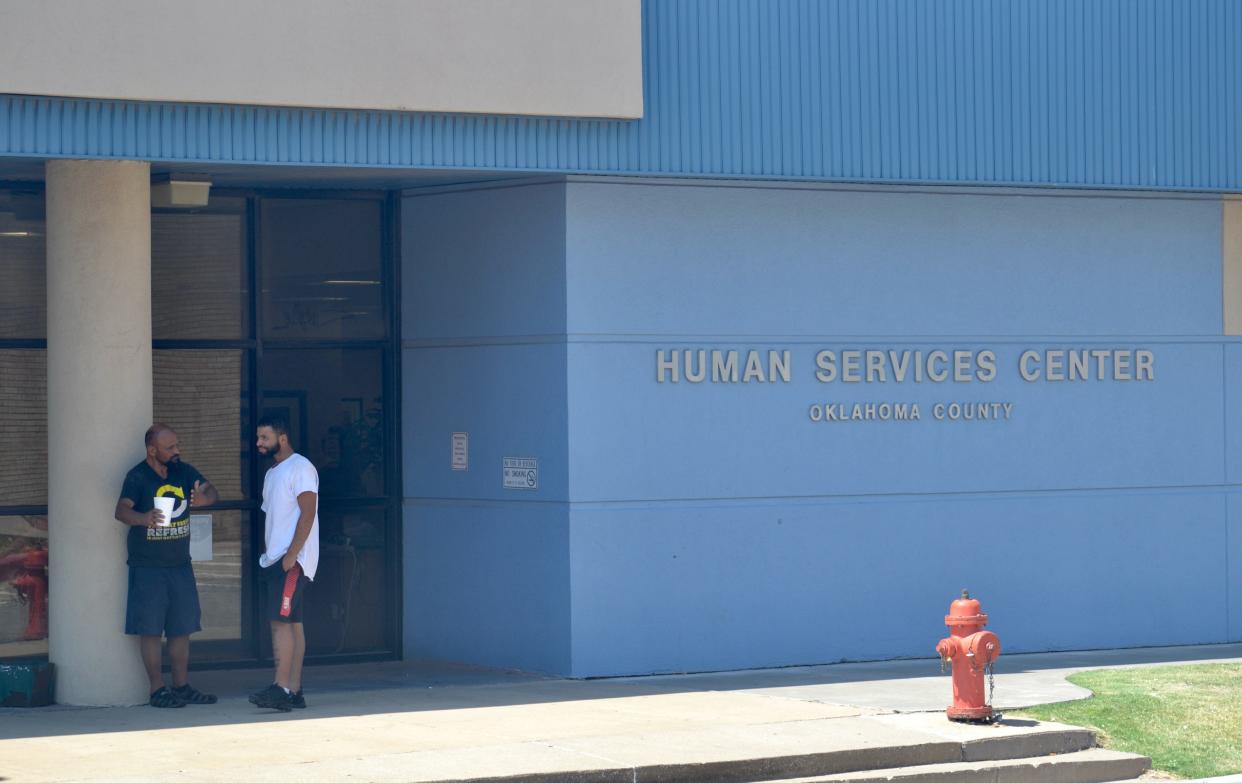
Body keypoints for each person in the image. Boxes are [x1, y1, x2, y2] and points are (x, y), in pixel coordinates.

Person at [114, 424, 219, 708]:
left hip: (180, 564)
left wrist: (206, 497)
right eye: (170, 447)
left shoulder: (183, 471)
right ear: (152, 450)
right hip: (147, 566)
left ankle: (181, 686)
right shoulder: (137, 476)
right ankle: (157, 689)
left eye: (177, 445)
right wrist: (143, 517)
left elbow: (211, 490)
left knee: (181, 627)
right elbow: (121, 510)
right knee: (150, 629)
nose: (177, 451)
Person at [249, 414, 320, 712]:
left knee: (280, 624)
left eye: (264, 438)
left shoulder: (300, 467)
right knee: (293, 624)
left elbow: (308, 513)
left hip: (292, 562)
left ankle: (280, 688)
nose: (259, 444)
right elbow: (274, 517)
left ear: (282, 438)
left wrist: (292, 555)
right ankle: (294, 690)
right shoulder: (273, 473)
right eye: (258, 438)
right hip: (276, 560)